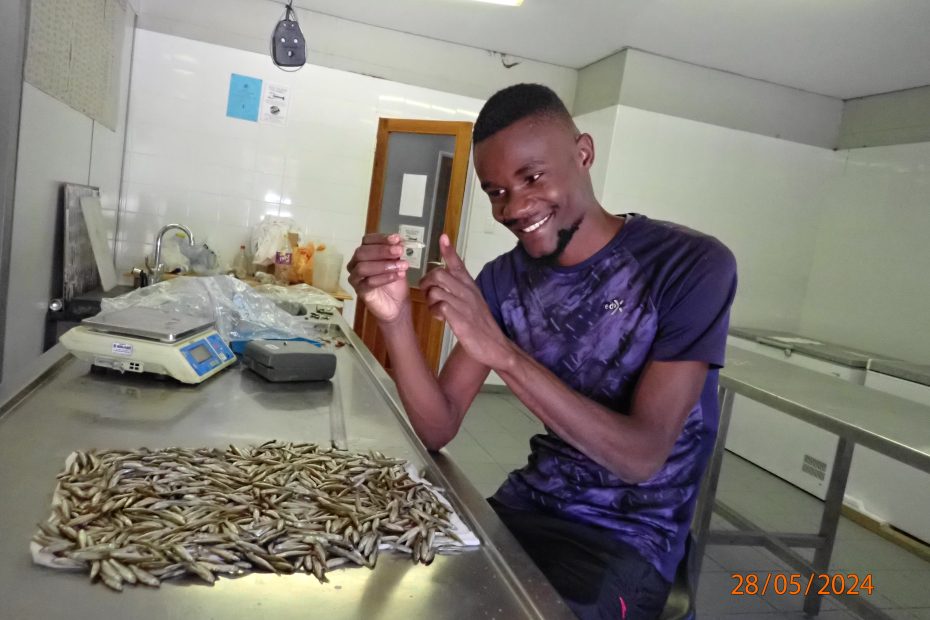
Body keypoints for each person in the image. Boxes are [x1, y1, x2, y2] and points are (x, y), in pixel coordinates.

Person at [347, 83, 737, 620]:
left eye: (532, 177)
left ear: (583, 154)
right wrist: (391, 320)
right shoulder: (503, 281)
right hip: (526, 506)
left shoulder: (689, 265)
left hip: (629, 538)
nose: (516, 206)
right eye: (496, 191)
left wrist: (503, 353)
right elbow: (437, 427)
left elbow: (640, 456)